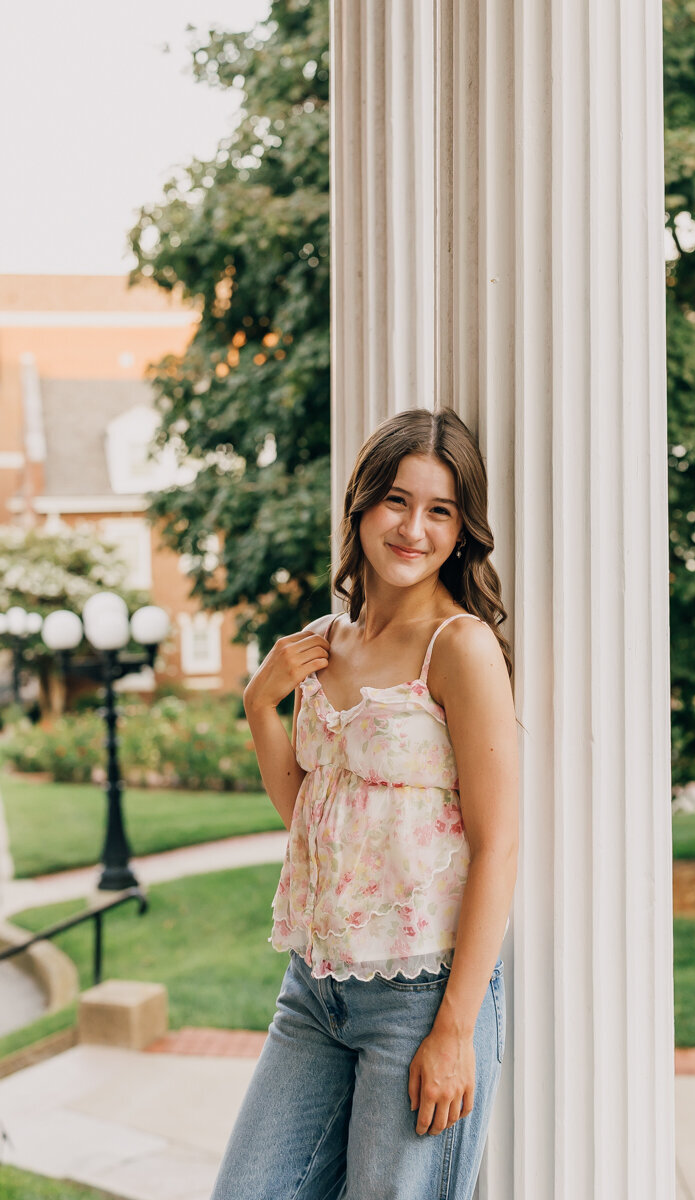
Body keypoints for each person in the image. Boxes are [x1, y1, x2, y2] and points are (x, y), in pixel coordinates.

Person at [210, 407, 518, 1200]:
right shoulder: (325, 641)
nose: (413, 527)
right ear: (361, 504)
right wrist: (259, 705)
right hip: (314, 991)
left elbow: (498, 844)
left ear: (461, 529)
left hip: (419, 997)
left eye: (440, 510)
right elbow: (312, 820)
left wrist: (455, 1027)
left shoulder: (460, 647)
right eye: (396, 500)